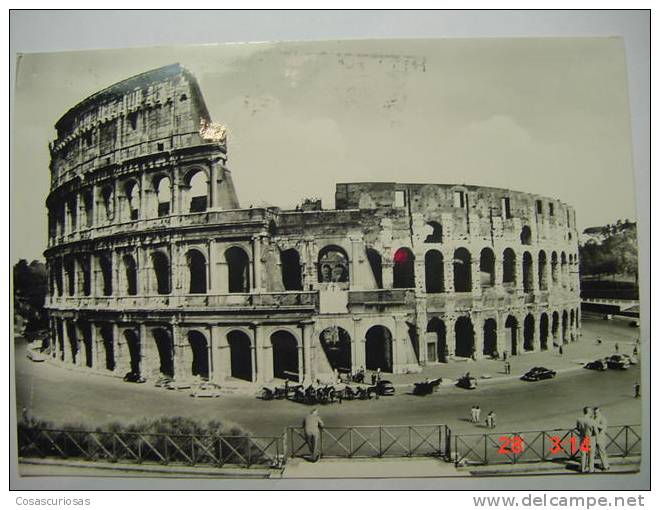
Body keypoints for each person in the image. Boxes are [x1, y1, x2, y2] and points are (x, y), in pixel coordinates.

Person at [575, 407, 596, 473]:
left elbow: (578, 429)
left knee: (583, 455)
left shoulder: (579, 420)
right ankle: (591, 469)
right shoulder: (592, 421)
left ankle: (582, 469)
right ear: (589, 412)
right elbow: (595, 432)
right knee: (591, 455)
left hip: (582, 438)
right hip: (590, 439)